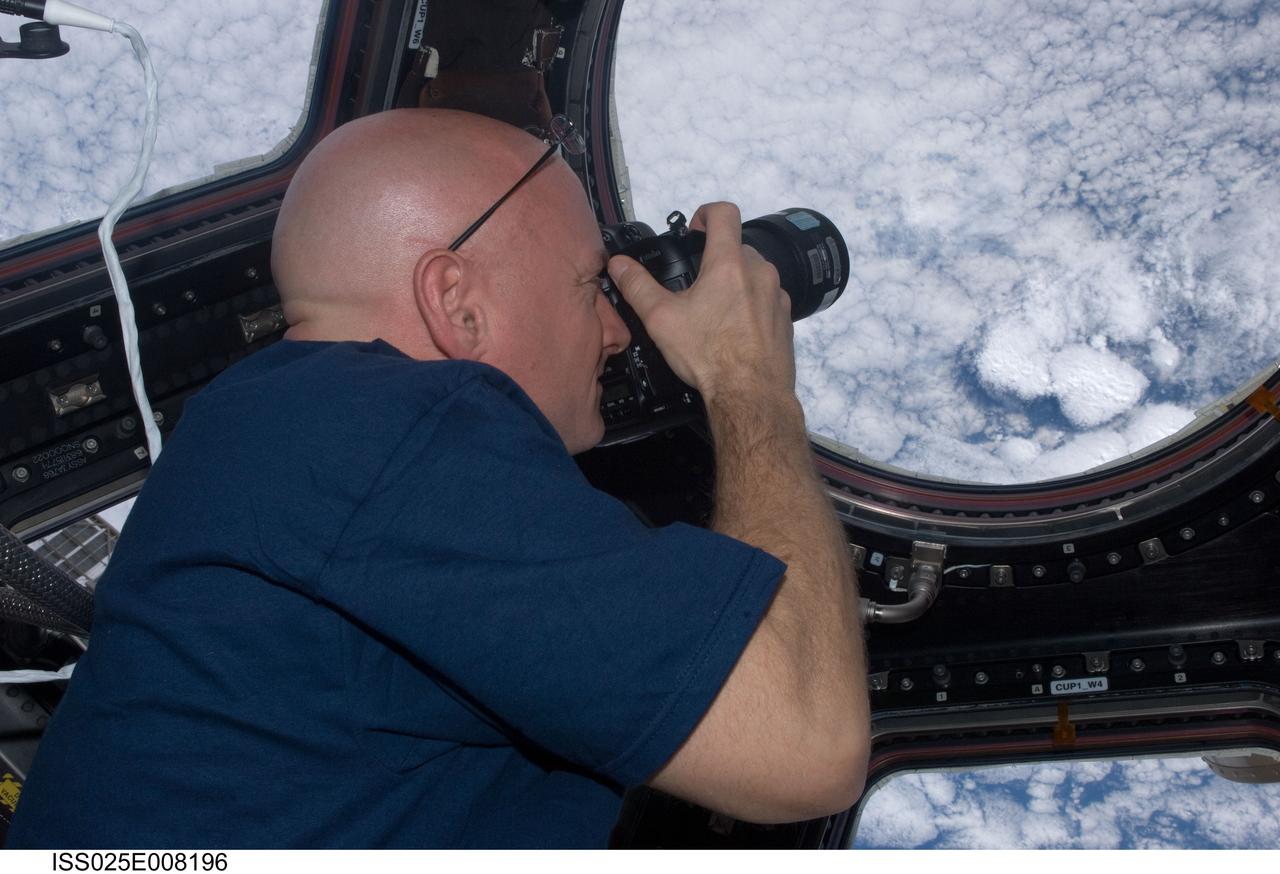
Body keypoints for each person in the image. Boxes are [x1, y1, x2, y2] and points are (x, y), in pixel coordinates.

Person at [6, 109, 869, 848]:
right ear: (457, 302)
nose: (616, 332)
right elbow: (801, 739)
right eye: (589, 286)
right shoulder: (383, 424)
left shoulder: (282, 435)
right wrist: (748, 380)